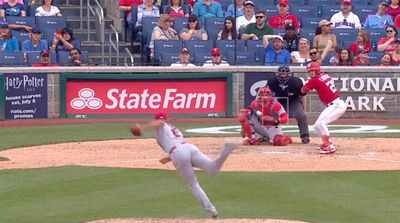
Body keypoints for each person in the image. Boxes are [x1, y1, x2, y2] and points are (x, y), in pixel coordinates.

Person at [131, 112, 240, 218]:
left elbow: (159, 123)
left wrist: (142, 128)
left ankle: (212, 210)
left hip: (178, 153)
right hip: (189, 147)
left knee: (193, 184)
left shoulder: (161, 126)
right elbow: (176, 144)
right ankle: (226, 149)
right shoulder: (173, 128)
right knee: (213, 168)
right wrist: (168, 158)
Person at [301, 62, 346, 154]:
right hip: (335, 104)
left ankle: (329, 145)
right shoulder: (325, 75)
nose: (310, 73)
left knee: (321, 123)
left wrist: (305, 83)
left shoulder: (314, 80)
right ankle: (326, 144)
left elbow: (303, 91)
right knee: (317, 125)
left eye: (312, 71)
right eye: (309, 71)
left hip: (336, 105)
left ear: (317, 70)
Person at [267, 65, 310, 144]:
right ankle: (266, 135)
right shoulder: (272, 81)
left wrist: (304, 107)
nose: (283, 76)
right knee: (268, 115)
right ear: (277, 74)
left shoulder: (296, 82)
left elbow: (302, 95)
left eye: (285, 74)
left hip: (293, 101)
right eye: (281, 73)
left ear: (290, 74)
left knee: (302, 115)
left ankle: (305, 136)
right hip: (279, 101)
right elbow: (267, 96)